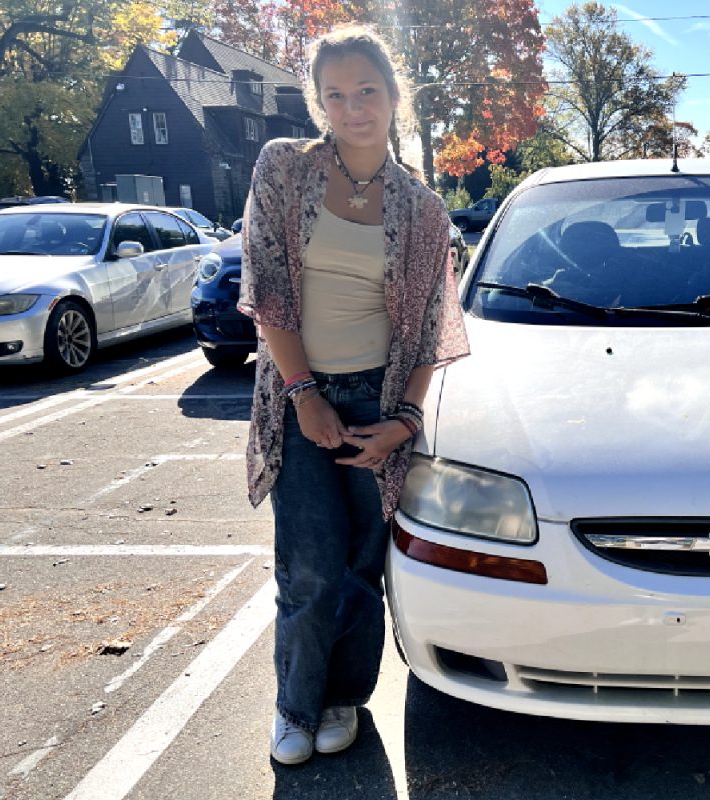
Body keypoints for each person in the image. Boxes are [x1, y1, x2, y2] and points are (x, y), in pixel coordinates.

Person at [237, 24, 469, 765]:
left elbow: (432, 328)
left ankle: (344, 699)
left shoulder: (424, 210)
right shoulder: (284, 170)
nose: (352, 107)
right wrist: (305, 394)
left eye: (366, 90)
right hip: (299, 392)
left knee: (363, 567)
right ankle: (295, 707)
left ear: (394, 95)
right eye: (334, 94)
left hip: (378, 399)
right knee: (308, 565)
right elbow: (268, 288)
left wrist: (403, 421)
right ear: (318, 103)